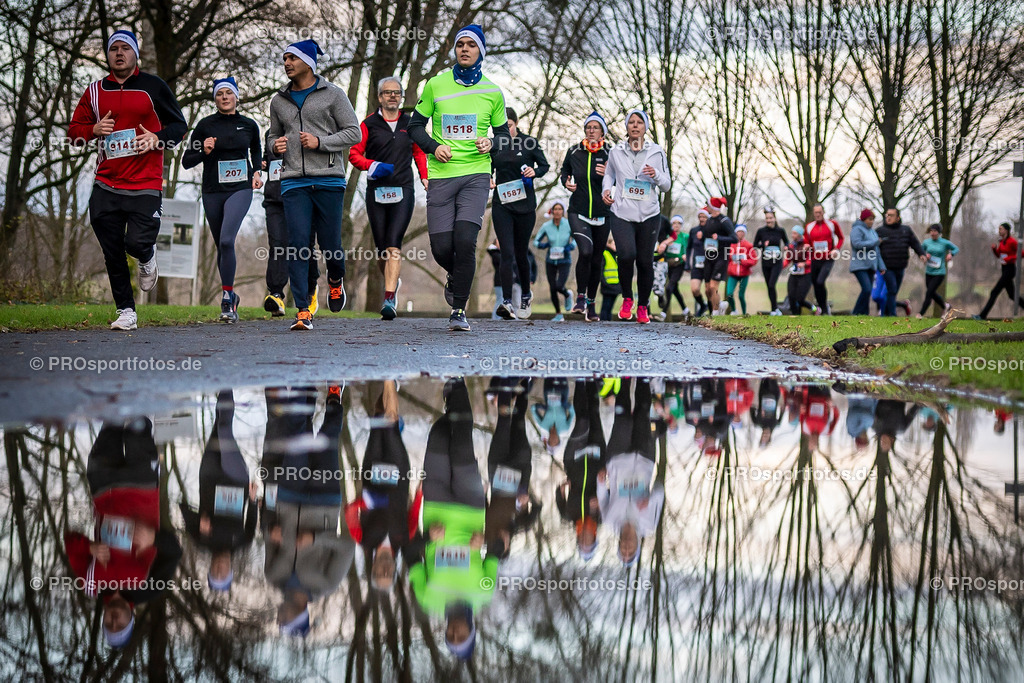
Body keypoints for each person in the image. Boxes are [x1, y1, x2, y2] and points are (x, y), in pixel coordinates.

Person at [67, 30, 187, 330]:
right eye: (113, 49)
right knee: (111, 249)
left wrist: (156, 139)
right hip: (106, 181)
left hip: (145, 182)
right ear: (107, 56)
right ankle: (126, 311)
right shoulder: (94, 91)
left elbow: (179, 127)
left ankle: (147, 256)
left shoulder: (153, 87)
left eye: (125, 48)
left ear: (135, 54)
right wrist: (93, 131)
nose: (118, 53)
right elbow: (74, 132)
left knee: (135, 242)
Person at [408, 25, 511, 332]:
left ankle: (458, 309)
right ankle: (457, 275)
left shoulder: (492, 92)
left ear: (480, 52)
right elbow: (414, 127)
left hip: (476, 175)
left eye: (471, 45)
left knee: (465, 242)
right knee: (442, 248)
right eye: (460, 45)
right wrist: (433, 146)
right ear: (455, 50)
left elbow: (504, 135)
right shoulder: (436, 85)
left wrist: (492, 143)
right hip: (441, 175)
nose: (465, 49)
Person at [64, 418, 182, 648]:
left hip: (103, 485)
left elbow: (70, 542)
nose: (114, 621)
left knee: (111, 419)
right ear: (131, 619)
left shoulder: (91, 585)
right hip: (142, 486)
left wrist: (88, 547)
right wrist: (153, 538)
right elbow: (174, 553)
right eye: (120, 626)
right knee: (137, 420)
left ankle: (112, 384)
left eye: (109, 625)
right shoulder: (148, 590)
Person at [269, 39, 361, 331]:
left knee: (331, 244)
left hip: (329, 179)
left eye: (292, 58)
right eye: (284, 59)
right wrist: (275, 146)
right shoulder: (278, 100)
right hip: (294, 181)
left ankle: (335, 279)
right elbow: (271, 137)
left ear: (308, 62)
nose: (286, 64)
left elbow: (354, 133)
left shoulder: (333, 95)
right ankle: (303, 309)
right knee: (297, 245)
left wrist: (321, 143)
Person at [408, 378, 497, 660]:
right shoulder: (484, 593)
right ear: (471, 631)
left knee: (438, 437)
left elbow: (409, 554)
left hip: (436, 507)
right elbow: (497, 550)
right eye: (461, 636)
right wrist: (483, 542)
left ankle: (452, 408)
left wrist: (425, 539)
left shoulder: (428, 599)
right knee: (461, 446)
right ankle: (457, 384)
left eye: (450, 637)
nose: (454, 632)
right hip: (471, 507)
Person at [265, 384, 354, 636]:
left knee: (296, 437)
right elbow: (347, 547)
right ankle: (335, 395)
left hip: (288, 498)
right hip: (325, 500)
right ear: (300, 616)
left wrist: (270, 530)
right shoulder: (326, 584)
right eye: (284, 621)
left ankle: (304, 389)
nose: (278, 618)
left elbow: (266, 534)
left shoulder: (273, 577)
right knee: (328, 438)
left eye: (278, 621)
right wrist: (315, 538)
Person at [348, 77, 429, 319]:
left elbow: (419, 152)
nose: (392, 96)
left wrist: (425, 177)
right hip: (377, 191)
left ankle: (389, 298)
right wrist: (371, 165)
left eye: (397, 93)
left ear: (402, 97)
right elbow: (354, 154)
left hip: (403, 190)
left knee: (394, 244)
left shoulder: (410, 123)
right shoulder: (368, 124)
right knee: (382, 249)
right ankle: (393, 281)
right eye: (387, 93)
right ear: (379, 97)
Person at [181, 77, 262, 322]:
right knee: (221, 244)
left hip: (240, 188)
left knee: (227, 239)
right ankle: (232, 295)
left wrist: (257, 171)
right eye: (219, 94)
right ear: (215, 99)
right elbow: (187, 160)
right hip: (213, 191)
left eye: (228, 93)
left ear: (236, 96)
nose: (224, 97)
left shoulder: (248, 125)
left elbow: (256, 149)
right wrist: (203, 151)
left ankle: (226, 298)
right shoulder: (205, 125)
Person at [345, 381, 420, 591]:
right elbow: (414, 513)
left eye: (379, 573)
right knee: (392, 425)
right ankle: (389, 379)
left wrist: (364, 501)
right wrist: (420, 491)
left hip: (373, 473)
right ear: (395, 570)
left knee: (379, 422)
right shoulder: (404, 539)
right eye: (389, 574)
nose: (385, 571)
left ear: (373, 569)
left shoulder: (363, 540)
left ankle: (391, 385)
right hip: (399, 475)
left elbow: (350, 512)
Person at [178, 390, 257, 592]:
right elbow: (252, 519)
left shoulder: (201, 542)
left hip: (210, 477)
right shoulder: (242, 543)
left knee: (218, 426)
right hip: (236, 480)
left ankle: (223, 387)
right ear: (230, 570)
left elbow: (183, 507)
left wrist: (200, 520)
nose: (220, 568)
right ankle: (225, 385)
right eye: (223, 573)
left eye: (215, 572)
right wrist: (253, 498)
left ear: (210, 568)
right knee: (224, 430)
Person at [601, 109, 672, 323]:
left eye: (639, 122)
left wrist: (656, 175)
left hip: (649, 214)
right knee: (626, 255)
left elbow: (667, 185)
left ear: (645, 127)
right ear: (626, 127)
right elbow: (609, 174)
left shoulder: (657, 151)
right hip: (622, 212)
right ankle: (627, 299)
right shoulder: (616, 151)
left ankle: (642, 306)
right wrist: (606, 190)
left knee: (644, 261)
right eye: (631, 122)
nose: (634, 125)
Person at [488, 107, 549, 319]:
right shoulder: (494, 145)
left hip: (525, 206)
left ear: (516, 123)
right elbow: (486, 165)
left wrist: (535, 172)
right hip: (502, 204)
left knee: (521, 253)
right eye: (501, 127)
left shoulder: (529, 142)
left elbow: (544, 165)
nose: (505, 130)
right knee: (507, 252)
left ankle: (525, 294)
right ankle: (506, 302)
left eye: (509, 126)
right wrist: (488, 176)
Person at [597, 378, 665, 565]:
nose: (626, 546)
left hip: (617, 460)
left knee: (624, 419)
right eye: (630, 549)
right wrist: (649, 500)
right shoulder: (649, 525)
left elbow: (602, 497)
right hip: (644, 459)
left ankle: (624, 379)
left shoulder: (610, 522)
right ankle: (644, 377)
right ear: (637, 545)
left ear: (618, 544)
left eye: (623, 549)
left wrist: (601, 482)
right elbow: (660, 491)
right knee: (643, 413)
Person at [261, 135, 321, 317]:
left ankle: (310, 290)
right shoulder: (271, 132)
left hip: (305, 197)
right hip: (275, 199)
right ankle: (276, 294)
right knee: (278, 245)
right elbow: (268, 158)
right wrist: (263, 163)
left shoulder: (309, 125)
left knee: (303, 246)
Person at [562, 112, 611, 322]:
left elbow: (623, 178)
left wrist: (610, 173)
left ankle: (591, 303)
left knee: (597, 259)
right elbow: (564, 170)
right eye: (588, 127)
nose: (591, 130)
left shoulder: (611, 153)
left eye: (595, 127)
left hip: (602, 213)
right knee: (586, 250)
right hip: (578, 211)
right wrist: (566, 181)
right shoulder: (574, 151)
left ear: (602, 132)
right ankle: (581, 297)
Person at [557, 379, 607, 560]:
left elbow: (559, 495)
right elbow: (610, 493)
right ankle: (592, 380)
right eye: (589, 541)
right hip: (597, 458)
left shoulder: (568, 516)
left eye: (582, 541)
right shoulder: (602, 517)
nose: (585, 538)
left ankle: (579, 381)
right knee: (594, 414)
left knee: (583, 421)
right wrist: (602, 495)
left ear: (577, 537)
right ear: (595, 537)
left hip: (574, 460)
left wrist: (562, 488)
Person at [876, 207, 928, 316]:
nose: (888, 217)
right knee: (892, 290)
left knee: (893, 292)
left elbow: (915, 243)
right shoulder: (880, 231)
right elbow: (873, 248)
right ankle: (892, 314)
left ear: (898, 217)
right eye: (887, 215)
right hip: (886, 267)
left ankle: (885, 314)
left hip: (901, 266)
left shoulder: (906, 230)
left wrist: (921, 254)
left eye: (891, 215)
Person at [533, 200, 575, 321]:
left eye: (560, 209)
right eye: (555, 209)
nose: (557, 212)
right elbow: (536, 241)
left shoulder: (568, 224)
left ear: (563, 212)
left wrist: (570, 247)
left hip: (564, 260)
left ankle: (567, 294)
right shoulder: (547, 226)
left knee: (559, 285)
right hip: (550, 260)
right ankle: (558, 314)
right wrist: (544, 245)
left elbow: (576, 238)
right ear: (552, 212)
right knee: (552, 288)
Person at [975, 222, 1024, 319]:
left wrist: (1010, 258)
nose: (999, 231)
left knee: (994, 292)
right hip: (1004, 269)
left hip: (1010, 270)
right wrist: (994, 249)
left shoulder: (1012, 241)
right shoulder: (1001, 241)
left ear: (1006, 230)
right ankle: (982, 315)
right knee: (1012, 295)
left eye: (1001, 229)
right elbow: (999, 256)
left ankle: (982, 315)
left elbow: (1021, 253)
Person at [804, 204, 844, 314]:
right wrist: (806, 245)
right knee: (815, 284)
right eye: (816, 212)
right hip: (814, 258)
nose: (818, 214)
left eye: (819, 212)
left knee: (820, 281)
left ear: (823, 212)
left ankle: (825, 308)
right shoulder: (809, 226)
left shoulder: (832, 224)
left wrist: (836, 249)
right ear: (813, 214)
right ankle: (822, 308)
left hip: (828, 258)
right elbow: (806, 240)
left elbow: (841, 238)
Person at [700, 197, 736, 315]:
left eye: (708, 205)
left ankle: (715, 312)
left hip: (721, 257)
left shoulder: (724, 221)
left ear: (713, 207)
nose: (707, 207)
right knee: (707, 289)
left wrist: (719, 238)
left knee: (713, 286)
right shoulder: (710, 220)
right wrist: (702, 235)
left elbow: (734, 238)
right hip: (709, 256)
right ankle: (719, 304)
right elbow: (707, 237)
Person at [751, 205, 787, 315]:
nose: (769, 220)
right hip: (766, 262)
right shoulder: (761, 231)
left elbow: (787, 242)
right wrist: (762, 245)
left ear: (774, 218)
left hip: (777, 262)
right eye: (767, 218)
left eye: (770, 218)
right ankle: (774, 309)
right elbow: (755, 245)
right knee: (769, 286)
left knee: (772, 284)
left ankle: (775, 308)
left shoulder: (780, 231)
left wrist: (786, 247)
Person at [849, 208, 886, 315]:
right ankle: (855, 312)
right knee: (866, 288)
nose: (871, 221)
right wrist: (875, 242)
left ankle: (864, 314)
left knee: (868, 291)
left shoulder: (873, 232)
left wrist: (881, 266)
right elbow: (857, 244)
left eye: (873, 219)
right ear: (863, 219)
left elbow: (876, 251)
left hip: (871, 265)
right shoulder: (857, 229)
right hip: (859, 265)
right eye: (869, 219)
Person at [918, 223, 959, 318]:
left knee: (929, 293)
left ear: (939, 232)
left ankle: (920, 314)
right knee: (931, 292)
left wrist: (951, 254)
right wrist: (924, 256)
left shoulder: (944, 242)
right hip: (929, 271)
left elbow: (956, 249)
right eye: (931, 231)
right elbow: (920, 251)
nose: (932, 233)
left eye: (935, 231)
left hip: (940, 272)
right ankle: (946, 306)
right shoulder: (926, 242)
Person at [655, 214, 689, 320]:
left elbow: (690, 248)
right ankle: (685, 310)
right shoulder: (667, 238)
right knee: (674, 289)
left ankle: (664, 312)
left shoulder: (685, 236)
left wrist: (686, 255)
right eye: (674, 223)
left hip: (679, 264)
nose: (676, 225)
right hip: (667, 264)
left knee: (669, 287)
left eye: (679, 223)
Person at [725, 224, 758, 315]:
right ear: (736, 233)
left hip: (744, 274)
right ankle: (734, 310)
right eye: (739, 231)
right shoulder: (731, 245)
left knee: (741, 295)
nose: (740, 233)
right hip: (733, 274)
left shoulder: (748, 245)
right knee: (729, 294)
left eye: (742, 232)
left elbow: (754, 260)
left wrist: (743, 261)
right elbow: (727, 259)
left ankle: (744, 313)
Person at [784, 225, 817, 315]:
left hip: (805, 274)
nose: (792, 235)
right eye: (792, 233)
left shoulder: (806, 245)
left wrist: (804, 264)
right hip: (794, 273)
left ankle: (813, 308)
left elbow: (810, 260)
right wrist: (780, 266)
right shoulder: (792, 245)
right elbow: (788, 259)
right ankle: (795, 315)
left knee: (800, 298)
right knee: (791, 296)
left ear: (799, 234)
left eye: (794, 233)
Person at [686, 208, 711, 316]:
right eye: (700, 217)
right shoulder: (693, 230)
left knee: (708, 290)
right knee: (695, 289)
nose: (701, 219)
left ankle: (711, 312)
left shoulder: (711, 230)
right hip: (697, 264)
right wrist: (687, 263)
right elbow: (688, 248)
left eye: (704, 217)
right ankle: (703, 305)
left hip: (709, 263)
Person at [599, 234, 621, 321]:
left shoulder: (615, 255)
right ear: (608, 243)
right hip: (608, 287)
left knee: (609, 308)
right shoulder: (605, 254)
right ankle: (604, 323)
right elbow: (601, 272)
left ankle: (608, 323)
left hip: (615, 287)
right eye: (614, 244)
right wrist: (605, 284)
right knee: (606, 307)